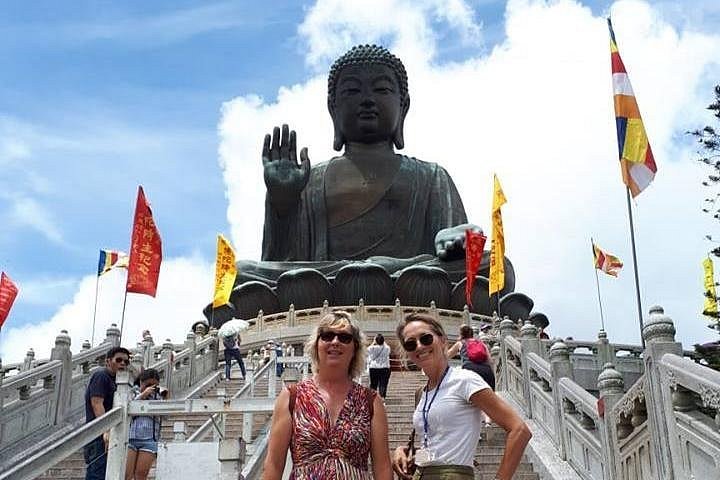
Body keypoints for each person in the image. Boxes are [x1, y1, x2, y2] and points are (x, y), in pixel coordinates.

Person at [232, 44, 516, 292]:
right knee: (241, 274)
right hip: (326, 281)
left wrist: (456, 239)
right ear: (333, 109)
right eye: (352, 91)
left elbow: (457, 250)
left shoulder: (430, 176)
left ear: (403, 106)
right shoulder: (310, 179)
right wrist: (283, 201)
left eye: (381, 90)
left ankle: (382, 274)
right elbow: (281, 261)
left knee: (495, 266)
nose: (367, 100)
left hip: (413, 278)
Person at [393, 313, 531, 480]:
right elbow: (434, 454)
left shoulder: (464, 380)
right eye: (410, 344)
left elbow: (520, 430)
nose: (419, 346)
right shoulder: (421, 393)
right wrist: (405, 452)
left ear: (443, 340)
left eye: (426, 338)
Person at [262, 311, 392, 479]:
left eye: (344, 338)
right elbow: (273, 464)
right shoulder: (292, 397)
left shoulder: (371, 402)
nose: (335, 342)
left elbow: (382, 468)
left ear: (355, 348)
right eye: (327, 336)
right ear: (316, 344)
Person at [84, 346, 131, 480]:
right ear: (108, 361)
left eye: (126, 362)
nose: (122, 363)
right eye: (119, 360)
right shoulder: (101, 376)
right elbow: (96, 403)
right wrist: (106, 431)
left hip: (110, 434)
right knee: (97, 473)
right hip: (99, 435)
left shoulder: (117, 381)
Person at [125, 368, 167, 480]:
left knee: (141, 475)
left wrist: (166, 400)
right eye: (148, 384)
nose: (151, 388)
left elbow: (166, 417)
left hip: (150, 440)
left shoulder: (158, 396)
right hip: (130, 438)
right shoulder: (133, 392)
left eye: (154, 385)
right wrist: (143, 394)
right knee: (126, 475)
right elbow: (127, 410)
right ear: (141, 382)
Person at [446, 325, 496, 391]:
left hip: (469, 370)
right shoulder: (481, 344)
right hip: (486, 371)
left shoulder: (460, 343)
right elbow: (490, 362)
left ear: (461, 334)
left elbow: (446, 356)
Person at [367, 333, 391, 398]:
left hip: (374, 368)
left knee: (373, 385)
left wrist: (373, 342)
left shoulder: (372, 348)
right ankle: (382, 398)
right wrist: (382, 341)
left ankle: (373, 399)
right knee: (383, 384)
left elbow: (368, 350)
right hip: (385, 368)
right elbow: (387, 349)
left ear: (376, 340)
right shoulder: (387, 348)